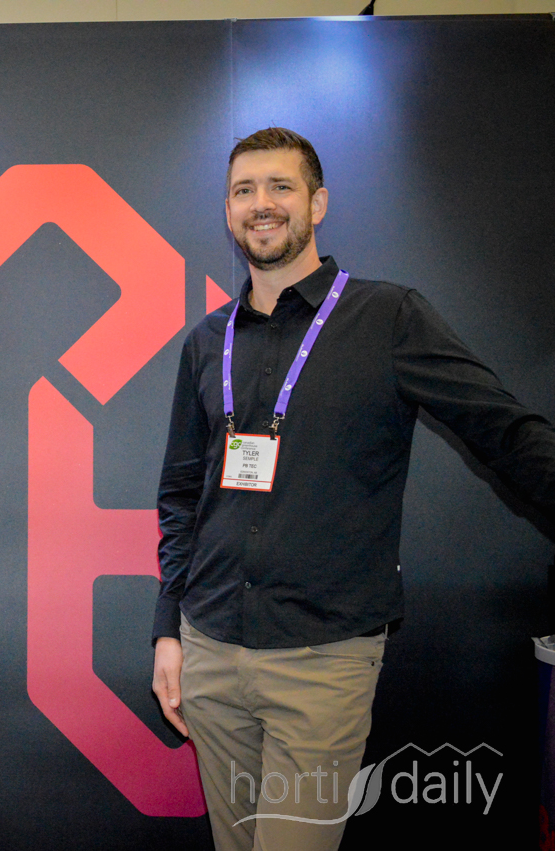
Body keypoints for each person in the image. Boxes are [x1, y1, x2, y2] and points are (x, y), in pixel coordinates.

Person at [151, 126, 555, 851]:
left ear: (318, 203)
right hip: (209, 650)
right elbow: (182, 493)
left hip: (322, 662)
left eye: (280, 186)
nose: (261, 203)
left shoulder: (387, 317)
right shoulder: (207, 341)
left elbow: (503, 429)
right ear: (228, 211)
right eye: (243, 190)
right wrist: (168, 630)